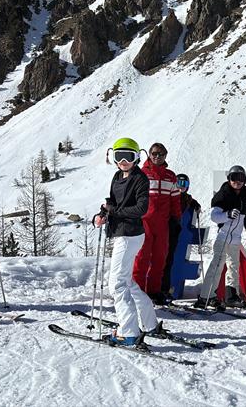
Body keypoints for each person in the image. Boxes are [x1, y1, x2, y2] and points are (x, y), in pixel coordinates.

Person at [96, 137, 158, 347]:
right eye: (118, 156)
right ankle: (150, 323)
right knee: (127, 282)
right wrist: (103, 213)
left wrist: (114, 211)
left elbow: (141, 209)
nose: (123, 161)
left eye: (128, 156)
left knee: (117, 284)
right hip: (121, 232)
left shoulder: (140, 179)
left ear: (136, 158)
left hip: (130, 235)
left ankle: (128, 331)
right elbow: (112, 201)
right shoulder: (117, 175)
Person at [194, 165, 246, 309]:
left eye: (241, 178)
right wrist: (227, 215)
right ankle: (206, 296)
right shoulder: (223, 194)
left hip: (235, 239)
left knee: (233, 267)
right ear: (229, 179)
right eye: (234, 178)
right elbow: (214, 216)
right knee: (217, 266)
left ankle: (231, 296)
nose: (237, 181)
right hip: (222, 236)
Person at [133, 143, 181, 305]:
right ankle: (138, 291)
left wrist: (176, 218)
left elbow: (175, 199)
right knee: (142, 257)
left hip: (162, 224)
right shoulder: (142, 173)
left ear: (165, 156)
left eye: (161, 154)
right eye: (154, 153)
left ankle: (154, 291)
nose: (157, 156)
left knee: (160, 258)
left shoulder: (170, 176)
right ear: (149, 154)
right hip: (144, 221)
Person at [161, 173, 201, 301]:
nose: (181, 187)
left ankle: (168, 289)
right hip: (167, 231)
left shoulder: (187, 199)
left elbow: (191, 202)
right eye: (178, 183)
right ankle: (162, 288)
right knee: (165, 261)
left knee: (171, 261)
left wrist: (196, 206)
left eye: (184, 184)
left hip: (178, 233)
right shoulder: (169, 197)